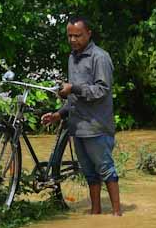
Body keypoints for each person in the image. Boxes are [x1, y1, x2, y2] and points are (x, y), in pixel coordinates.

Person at [42, 16, 121, 215]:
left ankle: (117, 214)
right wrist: (59, 114)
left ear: (88, 34)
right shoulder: (72, 57)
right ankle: (95, 212)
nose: (73, 40)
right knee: (90, 174)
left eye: (78, 35)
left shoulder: (99, 57)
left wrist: (73, 88)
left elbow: (102, 90)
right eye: (70, 36)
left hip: (96, 126)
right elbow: (73, 97)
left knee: (106, 170)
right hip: (77, 126)